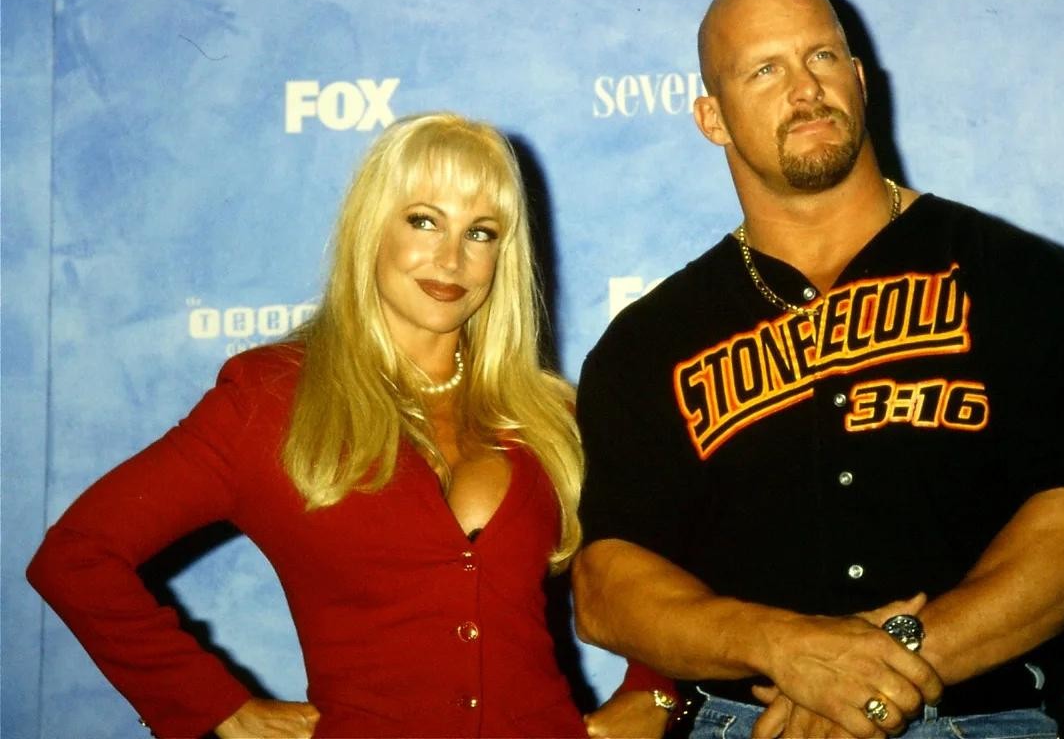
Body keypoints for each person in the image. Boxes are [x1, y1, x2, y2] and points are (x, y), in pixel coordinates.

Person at [571, 0, 1064, 739]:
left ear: (861, 79)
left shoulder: (1012, 274)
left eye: (822, 56)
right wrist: (784, 647)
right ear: (713, 117)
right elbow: (606, 587)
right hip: (753, 723)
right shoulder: (651, 341)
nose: (805, 88)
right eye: (765, 69)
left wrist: (879, 674)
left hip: (975, 716)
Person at [28, 112, 675, 739]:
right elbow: (77, 557)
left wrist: (655, 689)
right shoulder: (270, 399)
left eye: (480, 233)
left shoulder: (548, 414)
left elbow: (665, 556)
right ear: (372, 229)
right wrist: (218, 706)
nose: (451, 257)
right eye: (424, 221)